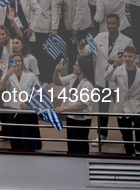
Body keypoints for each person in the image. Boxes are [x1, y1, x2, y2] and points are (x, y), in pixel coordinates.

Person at [79, 14, 133, 145]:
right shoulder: (99, 37)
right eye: (108, 23)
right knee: (103, 109)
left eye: (113, 23)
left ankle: (127, 138)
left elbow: (130, 60)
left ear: (119, 24)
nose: (110, 26)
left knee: (121, 110)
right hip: (102, 80)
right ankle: (102, 135)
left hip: (118, 81)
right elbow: (85, 52)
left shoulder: (126, 41)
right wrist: (81, 46)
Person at [17, 0, 60, 83]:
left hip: (45, 25)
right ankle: (33, 78)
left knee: (44, 55)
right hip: (30, 24)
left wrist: (54, 27)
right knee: (32, 52)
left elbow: (55, 9)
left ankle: (46, 79)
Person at [0, 53, 41, 150]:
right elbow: (1, 87)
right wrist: (7, 75)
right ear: (10, 63)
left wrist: (28, 103)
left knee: (27, 138)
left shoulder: (30, 75)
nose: (17, 63)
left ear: (22, 62)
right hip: (12, 109)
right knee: (14, 138)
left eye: (19, 61)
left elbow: (38, 93)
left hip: (26, 110)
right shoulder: (7, 75)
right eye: (14, 61)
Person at [53, 57, 95, 154]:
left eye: (76, 65)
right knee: (71, 145)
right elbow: (57, 81)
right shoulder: (73, 77)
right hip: (71, 117)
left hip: (81, 120)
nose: (73, 66)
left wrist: (64, 108)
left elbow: (82, 105)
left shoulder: (87, 85)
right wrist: (56, 71)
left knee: (80, 146)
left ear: (82, 68)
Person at [104, 46, 140, 155]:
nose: (127, 58)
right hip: (122, 108)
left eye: (130, 56)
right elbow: (106, 78)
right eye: (125, 56)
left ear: (135, 58)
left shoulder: (139, 72)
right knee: (126, 135)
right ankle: (129, 155)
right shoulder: (118, 70)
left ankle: (138, 149)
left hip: (136, 107)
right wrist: (113, 66)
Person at [56, 0, 92, 73]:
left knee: (84, 52)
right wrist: (63, 2)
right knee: (71, 53)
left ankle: (86, 75)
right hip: (69, 22)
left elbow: (81, 8)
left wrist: (76, 27)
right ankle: (71, 76)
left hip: (81, 26)